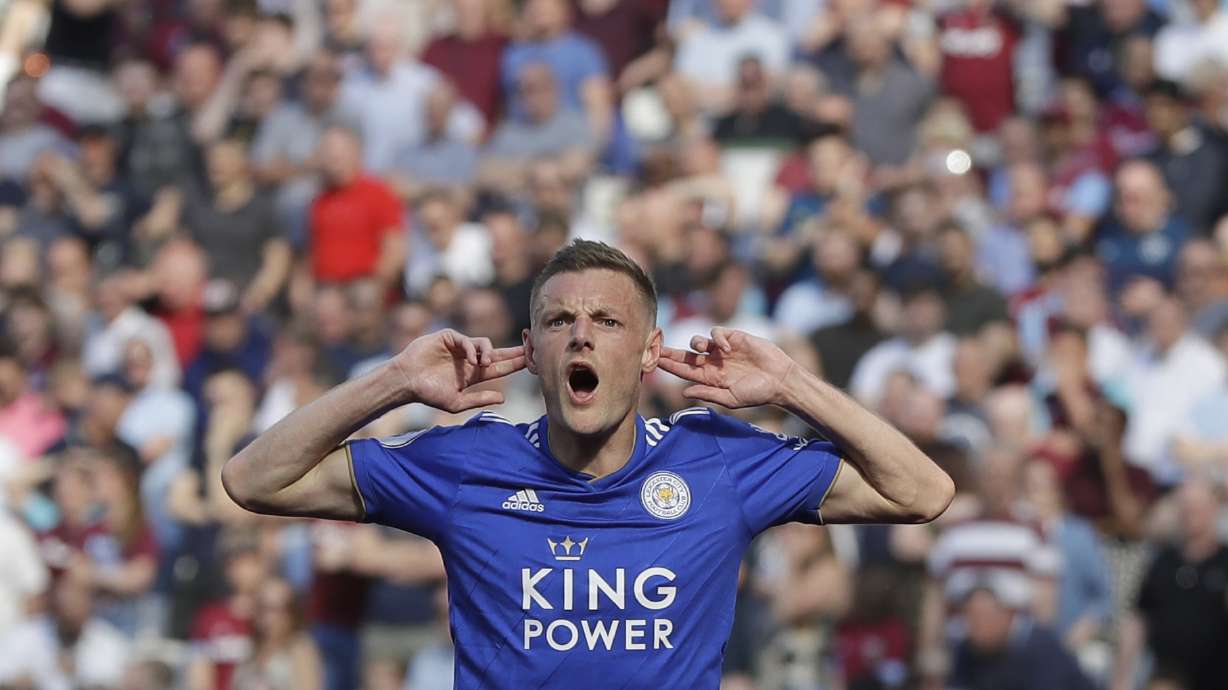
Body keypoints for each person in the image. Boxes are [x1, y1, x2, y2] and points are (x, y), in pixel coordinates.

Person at [222, 239, 952, 686]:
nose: (580, 338)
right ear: (531, 351)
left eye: (606, 321)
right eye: (557, 321)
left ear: (646, 351)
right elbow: (254, 478)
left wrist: (792, 385)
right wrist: (394, 381)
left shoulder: (715, 461)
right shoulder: (472, 462)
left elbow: (923, 491)